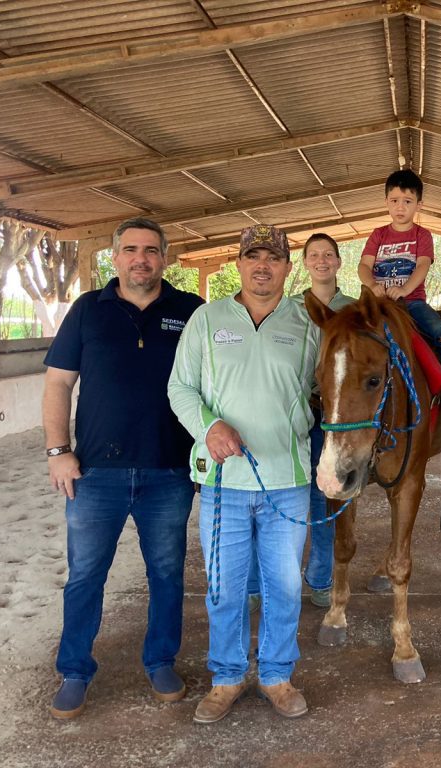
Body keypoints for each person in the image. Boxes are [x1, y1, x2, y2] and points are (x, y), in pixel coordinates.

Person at [42, 217, 203, 719]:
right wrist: (57, 450)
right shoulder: (88, 309)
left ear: (165, 258)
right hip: (95, 475)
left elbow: (215, 382)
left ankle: (160, 661)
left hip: (169, 472)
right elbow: (58, 384)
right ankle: (74, 670)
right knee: (86, 575)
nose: (141, 259)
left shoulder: (191, 311)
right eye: (131, 249)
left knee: (167, 573)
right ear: (114, 257)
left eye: (151, 250)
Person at [168, 224, 319, 724]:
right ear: (237, 264)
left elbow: (333, 385)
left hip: (287, 480)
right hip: (222, 482)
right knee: (224, 588)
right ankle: (228, 677)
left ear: (288, 268)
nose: (262, 266)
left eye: (273, 258)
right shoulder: (207, 319)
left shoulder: (308, 323)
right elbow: (180, 387)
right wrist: (209, 426)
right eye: (253, 257)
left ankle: (276, 676)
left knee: (285, 588)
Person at [247, 232, 355, 609]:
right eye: (314, 255)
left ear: (338, 261)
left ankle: (321, 578)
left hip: (333, 418)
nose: (322, 260)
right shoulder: (287, 306)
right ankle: (261, 582)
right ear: (304, 263)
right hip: (291, 411)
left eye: (328, 254)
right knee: (272, 496)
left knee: (324, 499)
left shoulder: (353, 308)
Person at [358, 168, 441, 410]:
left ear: (419, 205)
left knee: (438, 328)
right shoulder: (378, 234)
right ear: (386, 202)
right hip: (379, 304)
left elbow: (422, 265)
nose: (400, 207)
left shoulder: (422, 235)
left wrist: (404, 289)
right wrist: (372, 285)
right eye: (394, 201)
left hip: (412, 302)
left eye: (407, 201)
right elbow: (364, 266)